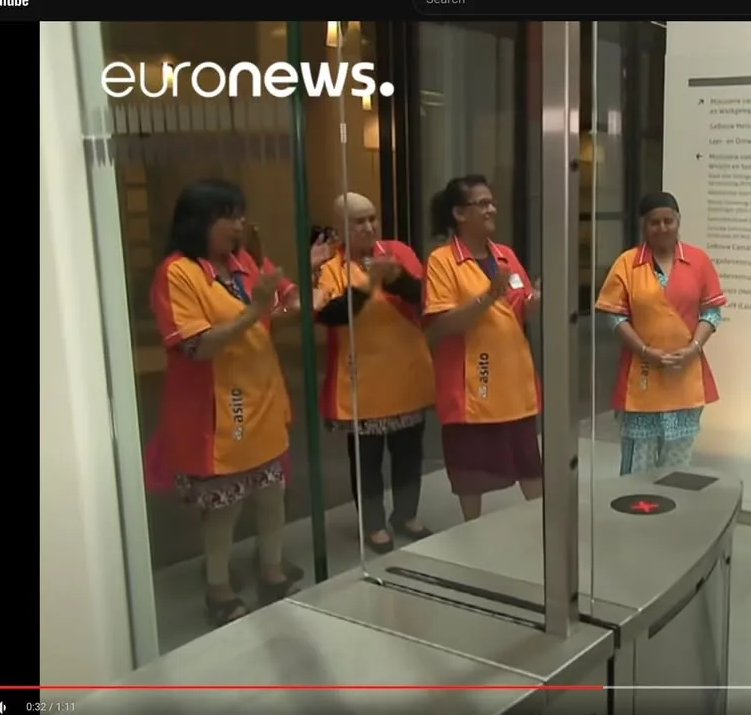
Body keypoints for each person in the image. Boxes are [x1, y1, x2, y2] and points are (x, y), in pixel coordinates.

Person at [148, 178, 301, 626]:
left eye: (240, 214)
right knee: (225, 506)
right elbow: (195, 346)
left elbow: (280, 306)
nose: (239, 225)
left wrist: (282, 298)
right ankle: (218, 588)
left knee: (273, 491)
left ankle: (271, 569)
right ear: (200, 222)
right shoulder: (178, 273)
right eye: (229, 216)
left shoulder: (242, 262)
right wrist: (254, 311)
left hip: (263, 397)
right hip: (220, 410)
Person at [315, 192, 438, 552]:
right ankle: (373, 523)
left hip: (406, 372)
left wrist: (393, 277)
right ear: (340, 229)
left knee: (409, 452)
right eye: (358, 222)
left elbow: (423, 295)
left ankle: (406, 514)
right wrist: (370, 284)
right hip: (360, 380)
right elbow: (331, 314)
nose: (369, 227)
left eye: (372, 218)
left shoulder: (397, 252)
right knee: (366, 460)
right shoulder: (329, 267)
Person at [421, 175, 543, 521]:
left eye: (492, 202)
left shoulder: (505, 255)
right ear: (460, 214)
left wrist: (536, 300)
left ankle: (544, 532)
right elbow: (444, 324)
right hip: (472, 385)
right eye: (483, 203)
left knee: (531, 466)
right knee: (470, 476)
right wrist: (489, 295)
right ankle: (471, 532)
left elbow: (519, 308)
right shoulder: (442, 261)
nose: (492, 209)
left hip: (514, 382)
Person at [595, 192, 727, 474]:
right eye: (655, 222)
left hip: (685, 378)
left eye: (669, 221)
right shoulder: (627, 263)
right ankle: (635, 519)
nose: (663, 228)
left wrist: (692, 348)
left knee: (677, 469)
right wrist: (645, 351)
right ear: (644, 225)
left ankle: (673, 518)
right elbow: (614, 315)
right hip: (641, 379)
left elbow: (712, 312)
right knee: (637, 471)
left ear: (678, 221)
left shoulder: (698, 261)